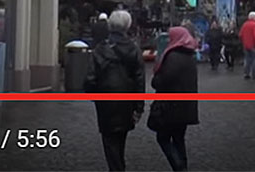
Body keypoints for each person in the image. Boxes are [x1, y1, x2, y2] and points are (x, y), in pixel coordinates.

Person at [84, 11, 145, 171]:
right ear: (127, 26)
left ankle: (117, 169)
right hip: (126, 102)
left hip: (105, 103)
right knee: (120, 139)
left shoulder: (100, 49)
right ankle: (118, 167)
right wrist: (139, 107)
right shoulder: (134, 49)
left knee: (110, 142)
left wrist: (94, 95)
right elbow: (139, 79)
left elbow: (90, 78)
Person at [148, 26, 199, 171]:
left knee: (163, 138)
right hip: (186, 106)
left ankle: (179, 167)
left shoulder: (172, 56)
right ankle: (183, 166)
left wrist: (156, 77)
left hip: (172, 107)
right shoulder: (190, 55)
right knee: (178, 138)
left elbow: (161, 81)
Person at [240, 12, 255, 79]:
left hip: (245, 45)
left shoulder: (244, 24)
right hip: (253, 45)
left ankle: (246, 73)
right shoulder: (254, 25)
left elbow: (240, 34)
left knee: (247, 59)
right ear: (254, 17)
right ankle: (254, 74)